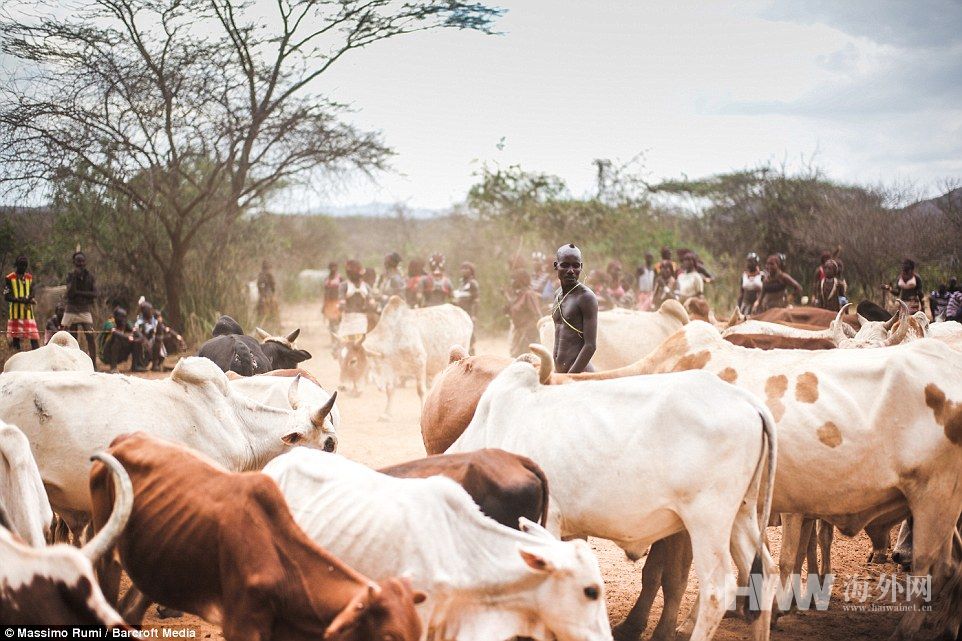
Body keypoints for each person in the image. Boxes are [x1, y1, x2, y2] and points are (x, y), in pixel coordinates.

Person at [550, 244, 598, 373]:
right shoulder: (557, 294)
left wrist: (570, 377)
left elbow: (590, 346)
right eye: (565, 265)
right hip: (561, 373)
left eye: (576, 265)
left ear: (581, 267)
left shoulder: (586, 298)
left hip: (579, 374)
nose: (571, 270)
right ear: (556, 266)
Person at [63, 251, 98, 362]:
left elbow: (95, 294)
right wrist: (74, 278)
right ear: (74, 262)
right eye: (78, 261)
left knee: (90, 336)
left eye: (82, 261)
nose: (80, 263)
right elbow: (70, 293)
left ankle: (93, 363)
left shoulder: (90, 276)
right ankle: (74, 362)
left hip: (84, 309)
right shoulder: (70, 275)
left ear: (85, 262)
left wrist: (79, 293)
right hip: (71, 308)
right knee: (72, 338)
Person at [4, 255, 41, 351]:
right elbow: (7, 296)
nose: (23, 268)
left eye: (25, 266)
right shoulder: (9, 278)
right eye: (21, 265)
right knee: (16, 338)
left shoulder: (29, 277)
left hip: (28, 313)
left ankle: (37, 354)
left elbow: (33, 291)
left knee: (34, 336)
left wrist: (29, 298)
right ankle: (16, 354)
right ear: (16, 265)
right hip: (15, 313)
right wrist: (20, 300)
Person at [505, 270, 543, 358]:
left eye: (514, 279)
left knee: (523, 358)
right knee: (516, 357)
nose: (512, 281)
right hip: (518, 331)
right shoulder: (519, 294)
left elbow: (537, 315)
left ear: (521, 280)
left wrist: (532, 333)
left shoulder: (529, 294)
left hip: (528, 332)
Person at [338, 259, 373, 338]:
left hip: (356, 322)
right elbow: (372, 304)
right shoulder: (366, 287)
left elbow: (341, 305)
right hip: (354, 322)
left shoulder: (344, 286)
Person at [453, 262, 480, 354]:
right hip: (460, 313)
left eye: (466, 268)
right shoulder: (461, 283)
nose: (464, 270)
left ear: (471, 271)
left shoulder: (473, 283)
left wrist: (473, 315)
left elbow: (476, 301)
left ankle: (471, 354)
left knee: (470, 336)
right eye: (462, 268)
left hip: (469, 313)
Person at [100, 307, 135, 373]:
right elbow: (114, 332)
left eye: (124, 317)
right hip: (106, 353)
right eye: (121, 317)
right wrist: (127, 338)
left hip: (121, 352)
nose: (123, 319)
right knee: (117, 338)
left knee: (135, 340)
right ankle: (113, 367)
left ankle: (136, 366)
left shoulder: (125, 322)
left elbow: (134, 330)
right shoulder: (110, 322)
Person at [133, 299, 166, 371]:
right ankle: (138, 365)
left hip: (153, 348)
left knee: (158, 338)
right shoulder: (139, 322)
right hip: (144, 348)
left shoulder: (154, 321)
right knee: (137, 340)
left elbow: (162, 330)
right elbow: (136, 330)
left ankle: (155, 364)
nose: (151, 311)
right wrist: (144, 339)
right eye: (149, 310)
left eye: (151, 310)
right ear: (145, 311)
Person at [322, 262, 341, 334]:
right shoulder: (326, 279)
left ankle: (338, 339)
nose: (333, 269)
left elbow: (343, 291)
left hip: (337, 301)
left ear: (337, 268)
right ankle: (333, 339)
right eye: (331, 267)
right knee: (330, 321)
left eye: (334, 267)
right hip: (329, 302)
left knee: (338, 320)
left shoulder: (339, 278)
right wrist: (324, 305)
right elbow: (325, 292)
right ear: (329, 268)